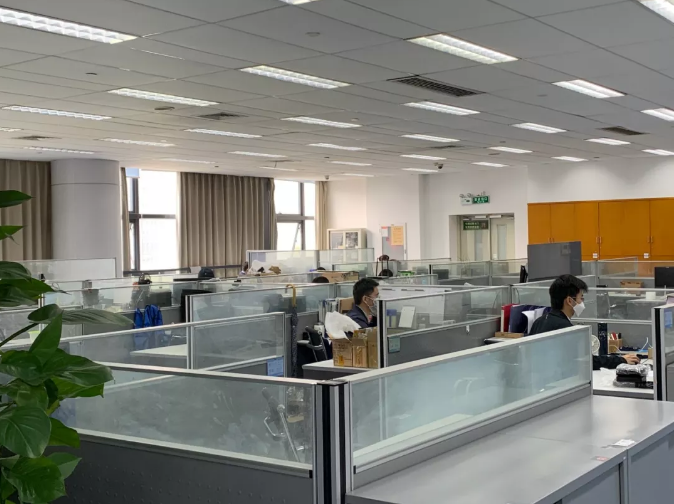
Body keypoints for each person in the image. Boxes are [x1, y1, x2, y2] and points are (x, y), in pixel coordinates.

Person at [529, 274, 639, 370]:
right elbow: (587, 362)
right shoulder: (566, 328)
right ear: (569, 301)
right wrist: (621, 360)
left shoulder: (539, 321)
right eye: (581, 298)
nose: (582, 302)